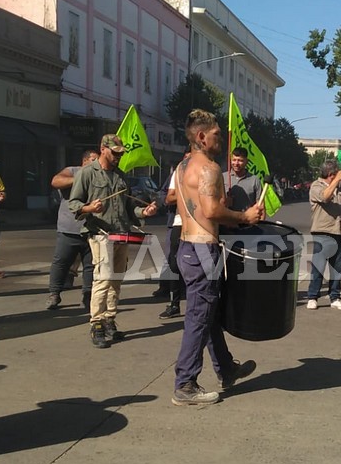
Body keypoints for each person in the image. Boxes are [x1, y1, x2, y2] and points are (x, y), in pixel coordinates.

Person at [172, 109, 262, 406]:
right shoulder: (208, 168)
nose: (220, 139)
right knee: (199, 315)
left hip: (187, 246)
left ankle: (226, 369)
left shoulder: (183, 166)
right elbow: (212, 212)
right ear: (201, 137)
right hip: (202, 249)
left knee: (207, 312)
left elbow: (195, 206)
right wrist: (244, 215)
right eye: (216, 135)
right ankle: (185, 383)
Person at [68, 134, 158, 349]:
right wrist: (89, 208)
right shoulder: (87, 173)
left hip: (121, 233)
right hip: (99, 233)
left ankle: (109, 318)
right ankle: (96, 323)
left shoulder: (121, 177)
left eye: (121, 153)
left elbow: (129, 210)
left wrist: (144, 211)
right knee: (103, 278)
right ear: (103, 149)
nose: (118, 156)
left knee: (116, 279)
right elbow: (74, 203)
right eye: (115, 152)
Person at [45, 149, 98, 311]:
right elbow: (55, 181)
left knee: (90, 265)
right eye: (93, 160)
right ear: (84, 161)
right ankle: (54, 293)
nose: (96, 163)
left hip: (91, 228)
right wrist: (80, 178)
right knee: (61, 263)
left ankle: (87, 296)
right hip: (69, 228)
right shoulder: (73, 171)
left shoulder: (99, 175)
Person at [306, 160, 341, 310]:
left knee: (337, 267)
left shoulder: (338, 189)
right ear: (331, 175)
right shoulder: (316, 186)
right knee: (318, 266)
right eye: (336, 173)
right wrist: (337, 180)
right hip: (322, 232)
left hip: (338, 231)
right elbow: (325, 197)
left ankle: (335, 297)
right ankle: (312, 296)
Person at [157, 164, 184, 319]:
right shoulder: (178, 172)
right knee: (174, 264)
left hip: (203, 226)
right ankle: (174, 304)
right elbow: (169, 197)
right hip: (179, 223)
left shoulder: (211, 170)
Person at [224, 147, 263, 212]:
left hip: (247, 220)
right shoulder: (222, 177)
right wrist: (225, 202)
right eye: (234, 160)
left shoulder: (255, 180)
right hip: (227, 220)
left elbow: (260, 206)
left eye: (240, 160)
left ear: (246, 161)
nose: (236, 163)